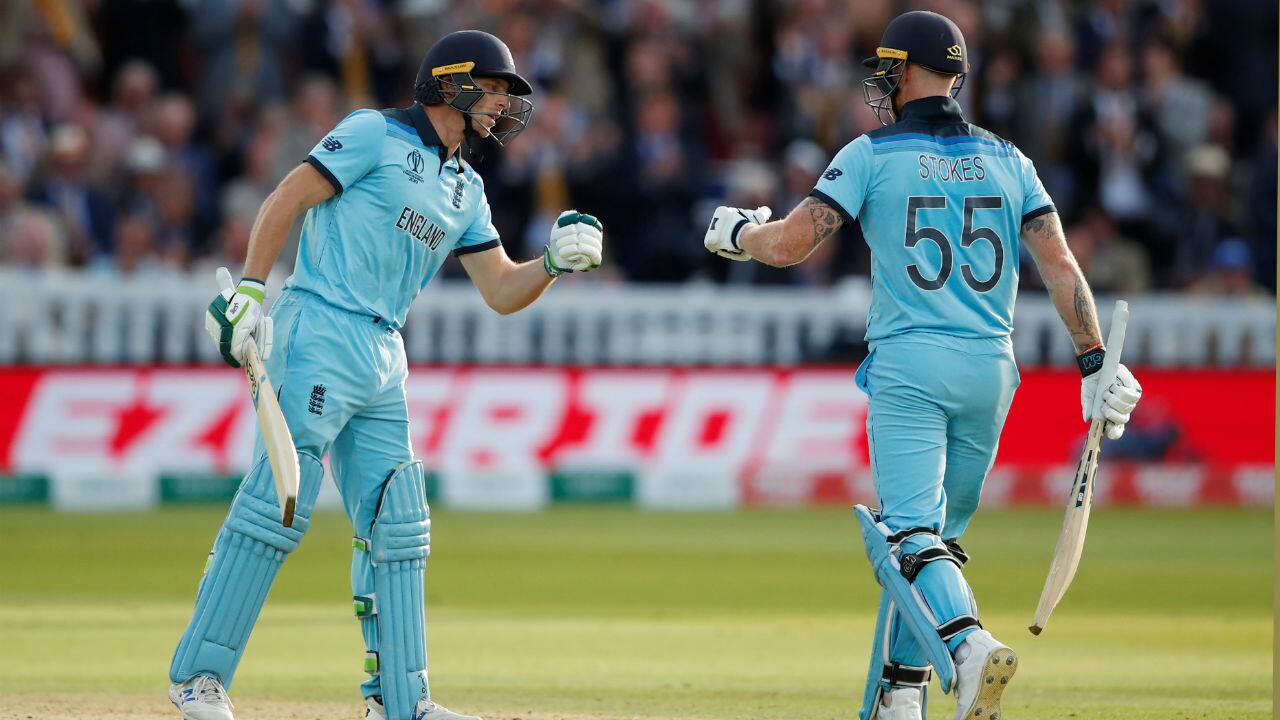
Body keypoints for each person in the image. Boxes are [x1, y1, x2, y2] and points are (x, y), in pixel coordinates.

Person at [702, 11, 1142, 720]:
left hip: (911, 363)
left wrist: (735, 231)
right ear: (959, 76)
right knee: (931, 548)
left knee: (908, 536)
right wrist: (1095, 361)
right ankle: (899, 698)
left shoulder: (871, 153)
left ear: (904, 72)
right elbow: (1061, 265)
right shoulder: (1011, 159)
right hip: (992, 372)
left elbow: (788, 246)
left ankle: (968, 650)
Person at [168, 30, 605, 720]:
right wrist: (252, 290)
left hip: (382, 350)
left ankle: (401, 703)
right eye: (494, 90)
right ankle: (198, 677)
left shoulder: (467, 187)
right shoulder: (372, 133)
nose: (502, 106)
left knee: (398, 524)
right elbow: (288, 196)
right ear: (454, 84)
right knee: (278, 507)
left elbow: (498, 289)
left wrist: (551, 264)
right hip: (320, 325)